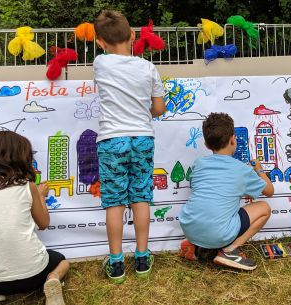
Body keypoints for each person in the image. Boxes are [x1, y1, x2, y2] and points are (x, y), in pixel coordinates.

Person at [93, 10, 167, 283]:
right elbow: (158, 108)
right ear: (133, 35)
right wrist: (141, 109)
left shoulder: (100, 63)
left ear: (100, 42)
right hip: (143, 138)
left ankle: (115, 263)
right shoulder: (148, 68)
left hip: (112, 139)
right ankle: (142, 256)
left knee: (114, 201)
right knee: (140, 196)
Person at [0, 131, 69, 305]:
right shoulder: (27, 187)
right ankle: (52, 278)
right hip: (32, 275)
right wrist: (40, 196)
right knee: (62, 261)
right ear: (21, 158)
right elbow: (44, 223)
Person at [178, 112, 274, 270]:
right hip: (219, 233)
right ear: (233, 139)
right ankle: (229, 251)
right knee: (264, 208)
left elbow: (210, 190)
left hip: (189, 228)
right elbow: (269, 191)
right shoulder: (242, 169)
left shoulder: (199, 164)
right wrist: (259, 169)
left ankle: (195, 246)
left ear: (207, 145)